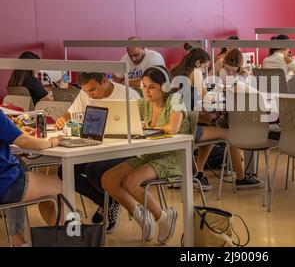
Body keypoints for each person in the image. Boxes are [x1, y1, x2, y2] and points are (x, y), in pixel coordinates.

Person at [101, 66, 188, 243]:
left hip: (173, 155)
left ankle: (163, 218)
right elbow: (131, 125)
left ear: (164, 87)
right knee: (108, 179)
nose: (146, 91)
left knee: (130, 182)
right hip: (149, 154)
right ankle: (142, 216)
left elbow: (173, 129)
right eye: (144, 86)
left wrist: (149, 128)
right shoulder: (142, 103)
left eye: (152, 86)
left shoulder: (176, 99)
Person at [54, 72, 140, 233]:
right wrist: (63, 119)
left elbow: (141, 126)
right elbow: (71, 112)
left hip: (125, 150)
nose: (89, 94)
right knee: (65, 171)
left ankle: (109, 202)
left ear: (104, 81)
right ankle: (107, 201)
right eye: (86, 91)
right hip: (96, 147)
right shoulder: (86, 92)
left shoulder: (128, 95)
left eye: (92, 90)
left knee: (93, 170)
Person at [172, 45, 261, 191]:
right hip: (187, 127)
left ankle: (198, 173)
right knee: (231, 134)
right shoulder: (195, 72)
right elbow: (207, 99)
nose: (204, 71)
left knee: (213, 129)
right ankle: (241, 178)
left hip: (177, 124)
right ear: (198, 63)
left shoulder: (176, 72)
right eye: (204, 68)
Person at [0, 110, 63, 247]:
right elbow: (24, 141)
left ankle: (17, 240)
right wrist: (52, 143)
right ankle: (62, 240)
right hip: (5, 185)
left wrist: (17, 131)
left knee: (19, 165)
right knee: (64, 187)